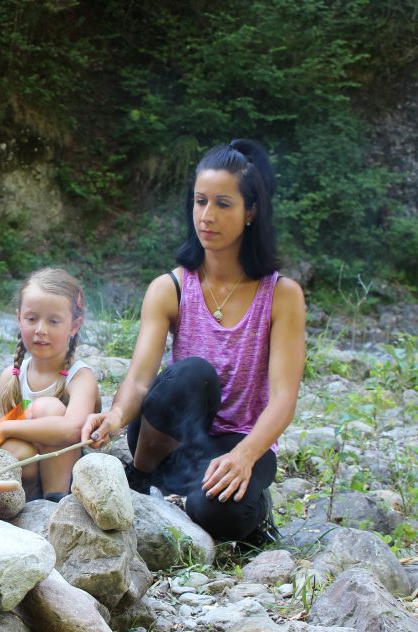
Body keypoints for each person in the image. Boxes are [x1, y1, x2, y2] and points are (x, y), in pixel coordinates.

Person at [81, 138, 306, 545]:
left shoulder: (282, 296)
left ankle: (245, 504)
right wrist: (114, 417)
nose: (207, 215)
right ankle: (144, 477)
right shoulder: (170, 288)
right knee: (193, 374)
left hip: (239, 440)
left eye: (223, 204)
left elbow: (284, 398)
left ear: (251, 212)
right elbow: (140, 380)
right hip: (168, 438)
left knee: (219, 512)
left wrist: (245, 455)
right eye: (200, 201)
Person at [0, 267, 100, 501]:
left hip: (68, 478)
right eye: (32, 319)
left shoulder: (80, 377)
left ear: (74, 326)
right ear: (19, 318)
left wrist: (5, 428)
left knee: (47, 408)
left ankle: (54, 501)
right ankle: (27, 506)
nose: (41, 330)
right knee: (15, 449)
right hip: (29, 474)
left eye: (53, 321)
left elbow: (73, 429)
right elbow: (8, 441)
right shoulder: (11, 377)